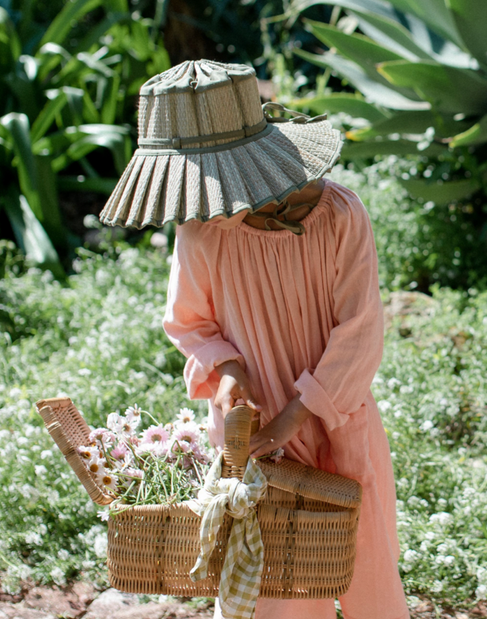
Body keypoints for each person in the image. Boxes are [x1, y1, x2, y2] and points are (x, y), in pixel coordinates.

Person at [100, 60, 410, 619]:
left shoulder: (340, 216)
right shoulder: (204, 230)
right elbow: (189, 322)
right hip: (252, 438)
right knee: (269, 590)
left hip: (337, 419)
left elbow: (360, 333)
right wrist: (228, 373)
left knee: (367, 573)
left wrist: (298, 414)